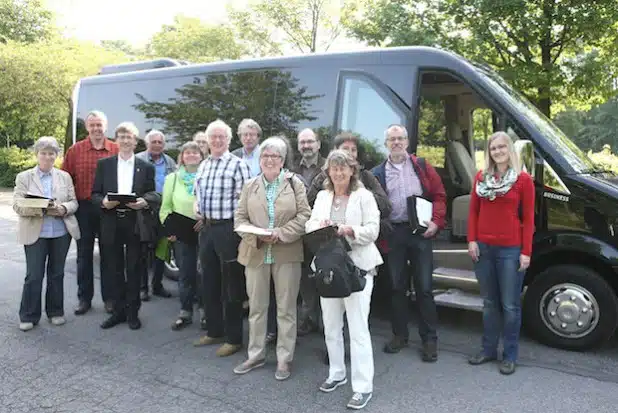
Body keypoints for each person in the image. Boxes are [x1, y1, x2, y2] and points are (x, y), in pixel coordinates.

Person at [306, 150, 382, 410]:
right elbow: (310, 225)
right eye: (334, 168)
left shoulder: (364, 196)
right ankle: (337, 373)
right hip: (329, 268)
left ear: (352, 170)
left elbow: (373, 229)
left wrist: (351, 230)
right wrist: (321, 226)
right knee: (331, 324)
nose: (338, 173)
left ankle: (363, 387)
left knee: (358, 329)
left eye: (343, 168)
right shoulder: (322, 196)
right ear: (328, 171)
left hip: (357, 268)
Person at [233, 136, 311, 380]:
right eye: (265, 156)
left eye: (274, 156)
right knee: (256, 308)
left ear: (282, 160)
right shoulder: (250, 185)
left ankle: (284, 359)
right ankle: (255, 355)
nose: (269, 160)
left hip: (287, 253)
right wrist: (256, 236)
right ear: (260, 159)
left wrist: (281, 233)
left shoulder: (294, 184)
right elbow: (240, 219)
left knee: (286, 309)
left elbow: (304, 215)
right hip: (255, 253)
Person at [372, 124, 446, 362]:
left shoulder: (422, 167)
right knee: (396, 288)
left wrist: (436, 222)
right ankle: (400, 336)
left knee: (424, 288)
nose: (396, 142)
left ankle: (429, 341)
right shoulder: (378, 173)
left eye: (400, 138)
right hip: (394, 233)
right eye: (392, 139)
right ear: (386, 144)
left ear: (407, 141)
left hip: (421, 233)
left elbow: (439, 195)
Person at [467, 131, 535, 375]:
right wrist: (472, 240)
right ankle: (488, 350)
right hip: (483, 248)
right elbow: (473, 212)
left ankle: (510, 355)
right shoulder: (481, 178)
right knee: (489, 303)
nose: (497, 152)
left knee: (510, 305)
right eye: (493, 148)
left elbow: (528, 219)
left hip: (510, 250)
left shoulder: (522, 180)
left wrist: (526, 252)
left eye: (501, 147)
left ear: (510, 150)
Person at [91, 122, 158, 330]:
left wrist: (144, 201)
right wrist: (103, 202)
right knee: (114, 268)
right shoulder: (105, 164)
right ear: (116, 140)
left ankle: (132, 313)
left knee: (135, 268)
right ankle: (118, 312)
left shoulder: (145, 167)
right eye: (122, 137)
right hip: (111, 221)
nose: (126, 140)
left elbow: (152, 193)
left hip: (134, 222)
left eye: (129, 137)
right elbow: (94, 194)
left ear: (136, 141)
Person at [193, 119, 251, 357]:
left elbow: (245, 201)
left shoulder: (238, 165)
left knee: (231, 286)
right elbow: (197, 194)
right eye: (213, 137)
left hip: (228, 230)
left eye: (221, 137)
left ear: (229, 140)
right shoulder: (203, 165)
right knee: (209, 283)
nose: (217, 141)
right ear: (207, 140)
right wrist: (197, 208)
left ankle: (234, 338)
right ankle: (214, 331)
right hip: (206, 228)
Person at [13, 137, 81, 331]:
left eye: (51, 153)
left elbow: (74, 202)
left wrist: (63, 208)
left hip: (60, 232)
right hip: (36, 233)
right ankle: (28, 315)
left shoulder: (64, 177)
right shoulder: (24, 177)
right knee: (34, 275)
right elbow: (18, 204)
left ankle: (55, 312)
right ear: (37, 154)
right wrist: (40, 208)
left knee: (56, 274)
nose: (47, 157)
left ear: (56, 155)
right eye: (43, 152)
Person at [62, 110, 119, 315]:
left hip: (109, 208)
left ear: (105, 126)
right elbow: (65, 179)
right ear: (87, 127)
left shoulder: (115, 149)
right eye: (92, 125)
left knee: (109, 255)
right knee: (84, 256)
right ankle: (84, 299)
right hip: (84, 209)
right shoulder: (75, 150)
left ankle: (110, 299)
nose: (96, 128)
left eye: (99, 125)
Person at [159, 141, 205, 330]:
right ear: (182, 157)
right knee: (185, 275)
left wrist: (206, 219)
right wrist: (170, 231)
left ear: (202, 156)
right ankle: (185, 312)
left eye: (196, 152)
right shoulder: (173, 178)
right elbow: (165, 208)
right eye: (188, 153)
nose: (192, 155)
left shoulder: (207, 175)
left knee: (204, 274)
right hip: (182, 233)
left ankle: (206, 313)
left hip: (204, 230)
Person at [291, 128, 325, 336]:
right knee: (305, 277)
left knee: (324, 275)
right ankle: (308, 318)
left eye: (310, 142)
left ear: (318, 144)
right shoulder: (292, 168)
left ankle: (325, 321)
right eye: (302, 142)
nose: (306, 146)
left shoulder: (329, 166)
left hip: (322, 231)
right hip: (301, 232)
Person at [136, 129, 177, 300]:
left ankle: (157, 285)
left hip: (165, 210)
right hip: (144, 209)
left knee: (162, 250)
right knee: (143, 250)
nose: (157, 145)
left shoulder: (170, 162)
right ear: (147, 144)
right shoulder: (138, 160)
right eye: (154, 141)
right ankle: (143, 288)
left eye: (160, 142)